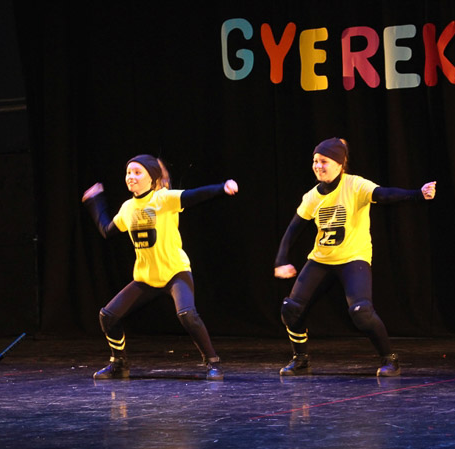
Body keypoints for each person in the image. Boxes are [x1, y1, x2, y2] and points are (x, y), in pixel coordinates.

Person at [273, 138, 436, 377]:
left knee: (361, 311)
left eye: (324, 161)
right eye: (315, 161)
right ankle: (301, 359)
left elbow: (383, 194)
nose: (318, 166)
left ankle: (390, 359)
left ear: (340, 164)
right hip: (321, 260)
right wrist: (280, 260)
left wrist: (417, 194)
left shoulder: (355, 185)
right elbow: (292, 230)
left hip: (353, 258)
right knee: (290, 309)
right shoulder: (311, 197)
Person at [82, 154, 238, 381]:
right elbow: (107, 230)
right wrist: (95, 201)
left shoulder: (163, 199)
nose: (131, 177)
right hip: (146, 277)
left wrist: (222, 187)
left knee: (187, 314)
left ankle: (213, 362)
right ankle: (119, 364)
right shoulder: (128, 208)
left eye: (137, 172)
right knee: (108, 316)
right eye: (128, 172)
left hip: (175, 272)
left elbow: (194, 195)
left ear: (152, 178)